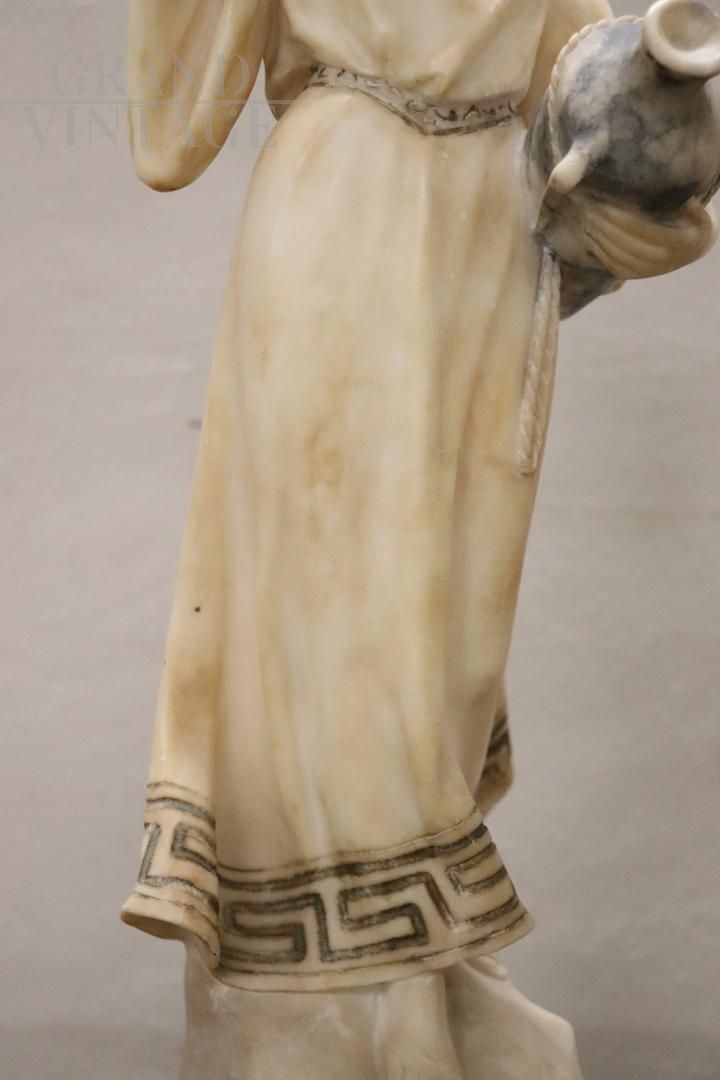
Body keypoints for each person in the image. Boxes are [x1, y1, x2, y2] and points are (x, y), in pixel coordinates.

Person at [122, 2, 712, 1074]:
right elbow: (172, 135)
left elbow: (578, 73)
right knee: (323, 605)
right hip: (334, 210)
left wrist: (655, 145)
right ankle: (352, 1009)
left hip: (487, 239)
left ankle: (419, 966)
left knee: (447, 643)